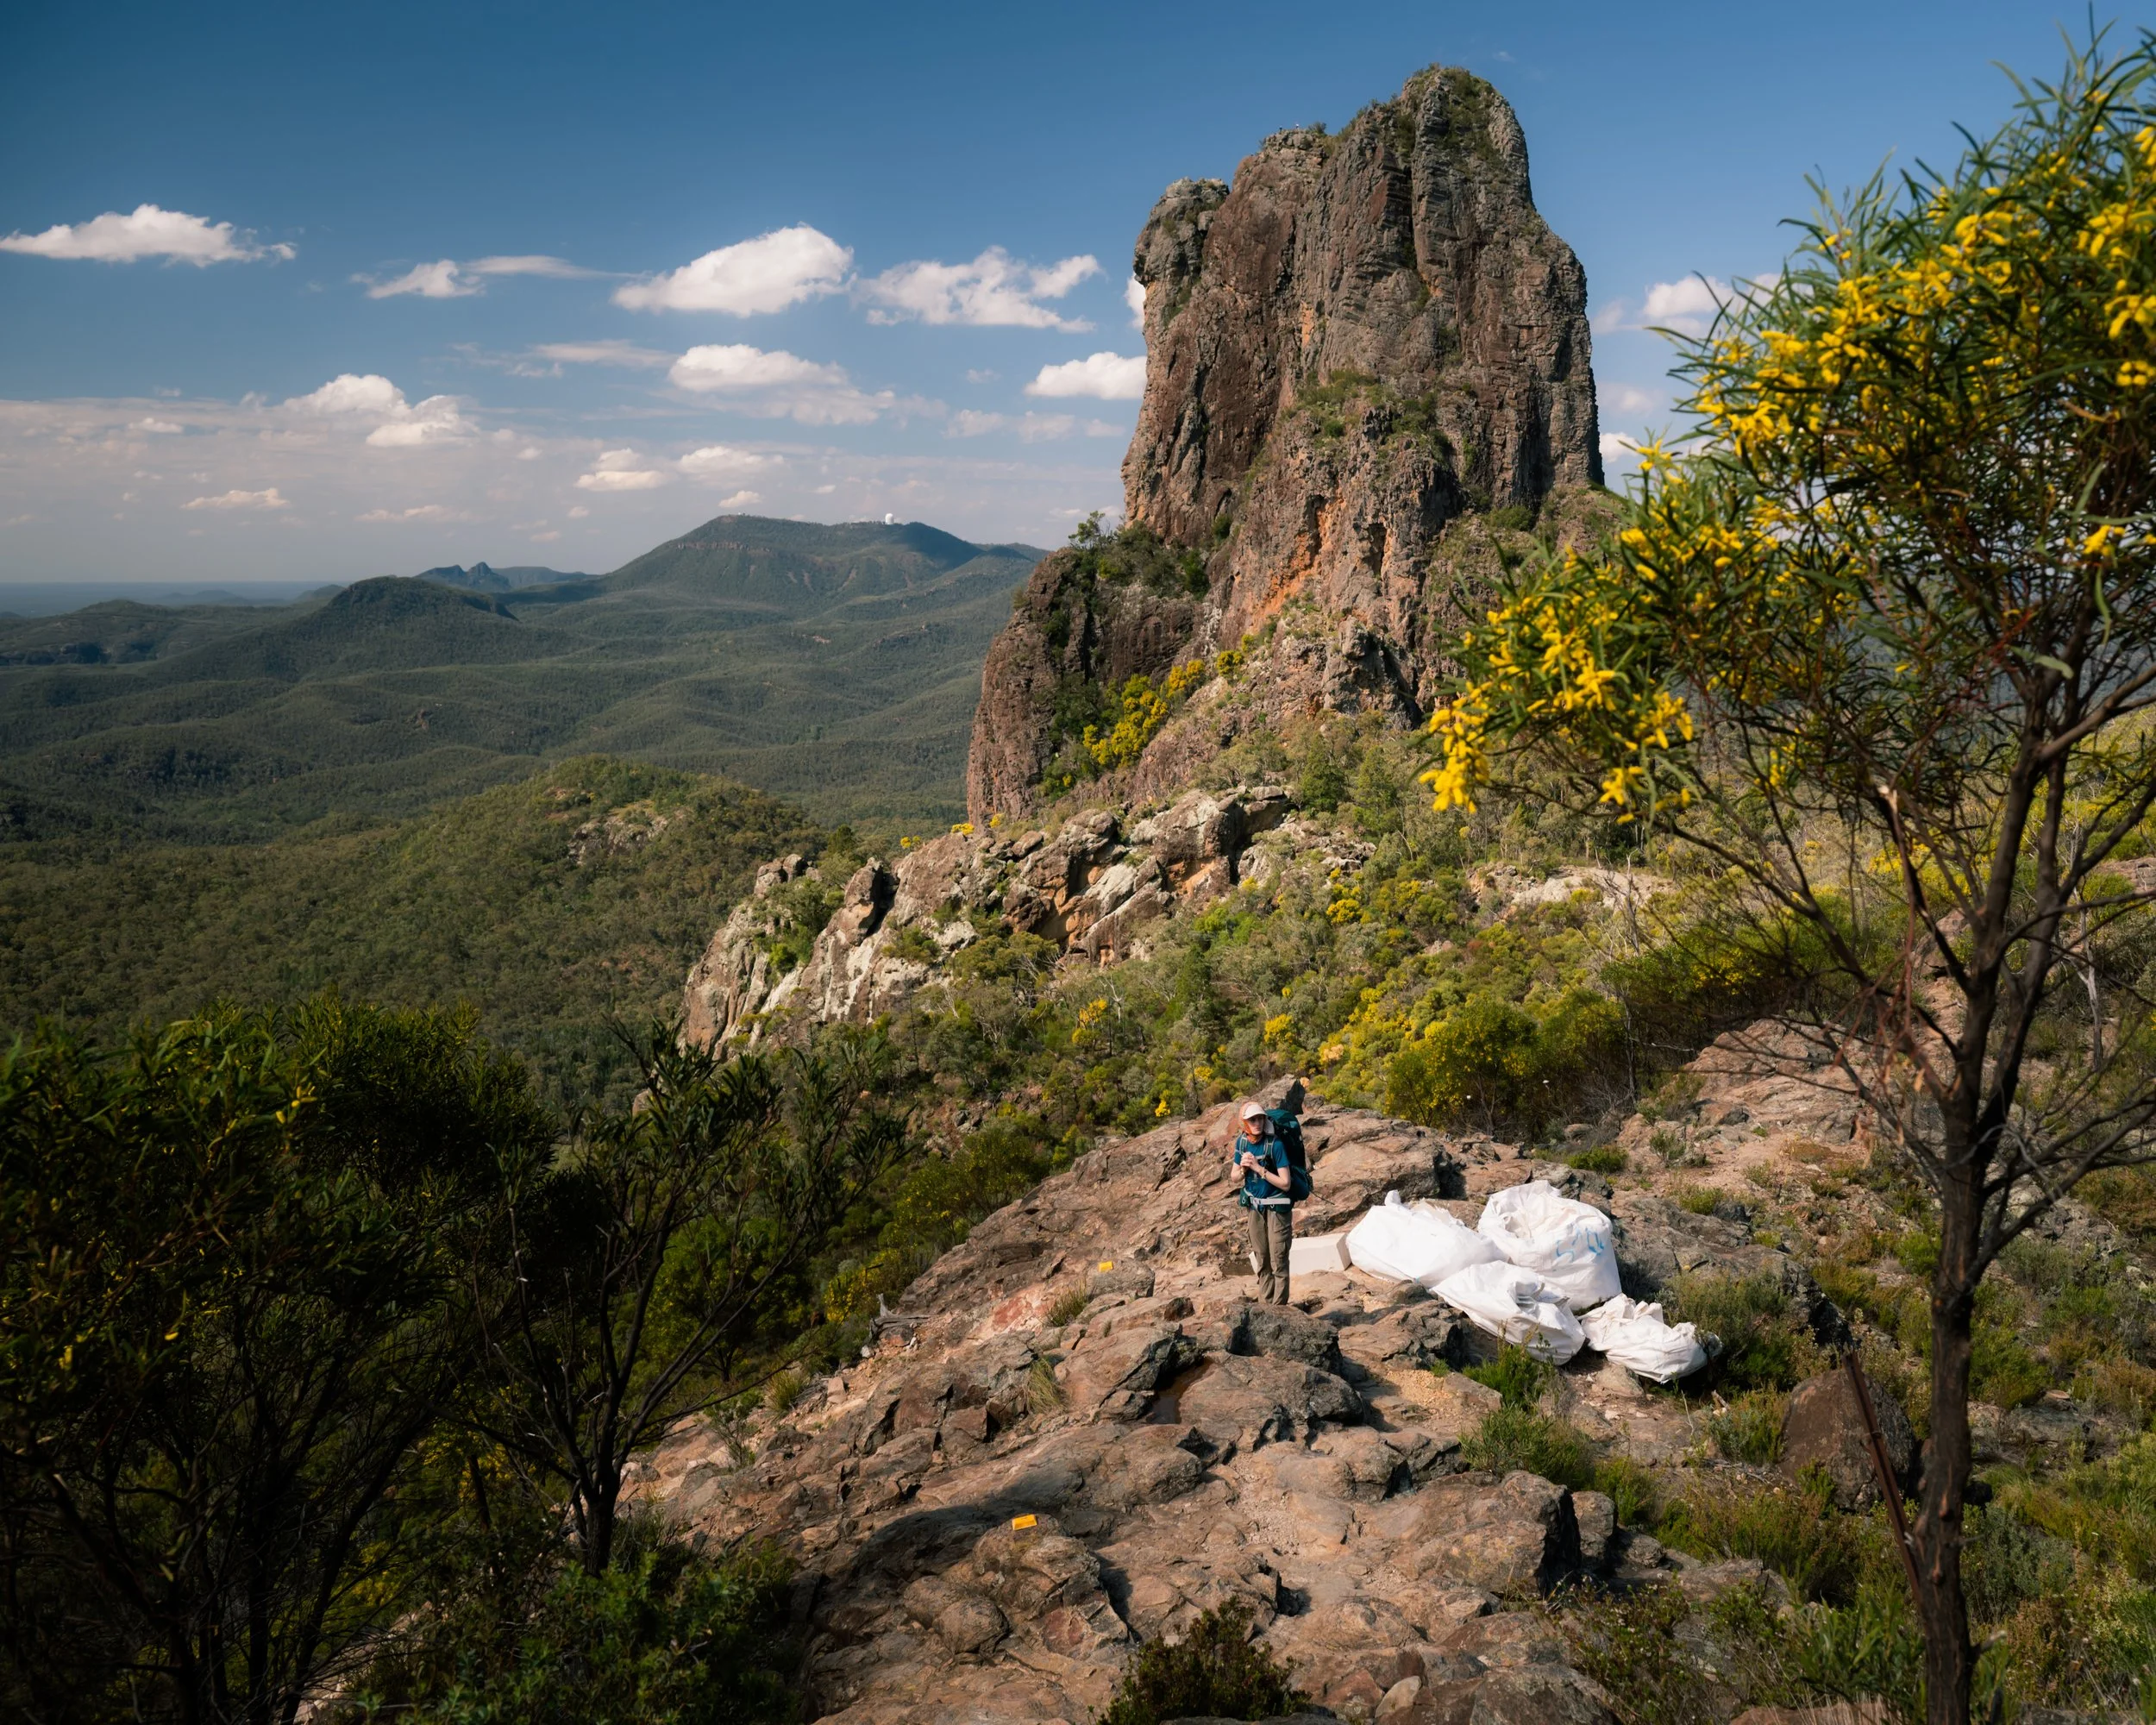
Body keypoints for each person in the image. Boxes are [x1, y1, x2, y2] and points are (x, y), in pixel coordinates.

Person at [1232, 1099, 1294, 1304]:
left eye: (1260, 1118)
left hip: (1277, 1207)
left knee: (1279, 1261)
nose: (1257, 1123)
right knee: (1262, 1260)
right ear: (1245, 1122)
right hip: (1255, 1208)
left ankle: (1280, 1311)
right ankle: (1265, 1308)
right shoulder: (1241, 1143)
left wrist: (1259, 1169)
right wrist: (1243, 1168)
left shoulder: (1275, 1145)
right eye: (1252, 1119)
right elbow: (1234, 1177)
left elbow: (1285, 1183)